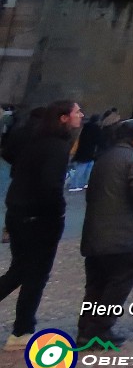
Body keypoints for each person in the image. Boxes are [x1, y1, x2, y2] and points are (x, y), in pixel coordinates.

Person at [0, 99, 83, 351]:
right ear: (63, 117)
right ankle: (22, 331)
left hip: (19, 213)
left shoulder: (35, 140)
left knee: (20, 270)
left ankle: (23, 328)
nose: (81, 115)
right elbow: (50, 186)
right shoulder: (56, 146)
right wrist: (58, 212)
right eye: (77, 112)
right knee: (35, 275)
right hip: (38, 219)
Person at [77, 119, 133, 346]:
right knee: (118, 284)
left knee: (96, 285)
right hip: (125, 234)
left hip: (97, 233)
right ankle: (99, 329)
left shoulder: (104, 157)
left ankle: (86, 327)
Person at [69, 113, 102, 191]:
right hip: (90, 152)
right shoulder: (95, 128)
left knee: (84, 168)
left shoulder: (86, 127)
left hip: (83, 151)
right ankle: (76, 185)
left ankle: (80, 184)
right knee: (84, 169)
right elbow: (99, 140)